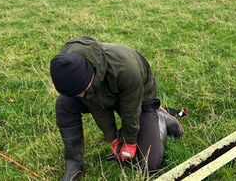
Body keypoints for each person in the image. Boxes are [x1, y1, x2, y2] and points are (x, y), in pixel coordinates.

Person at [50, 36, 184, 180]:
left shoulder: (125, 68)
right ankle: (74, 165)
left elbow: (131, 110)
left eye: (82, 90)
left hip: (139, 97)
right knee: (64, 103)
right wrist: (113, 139)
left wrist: (129, 142)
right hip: (105, 93)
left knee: (149, 165)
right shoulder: (65, 67)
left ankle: (160, 119)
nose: (81, 95)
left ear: (91, 74)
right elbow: (97, 107)